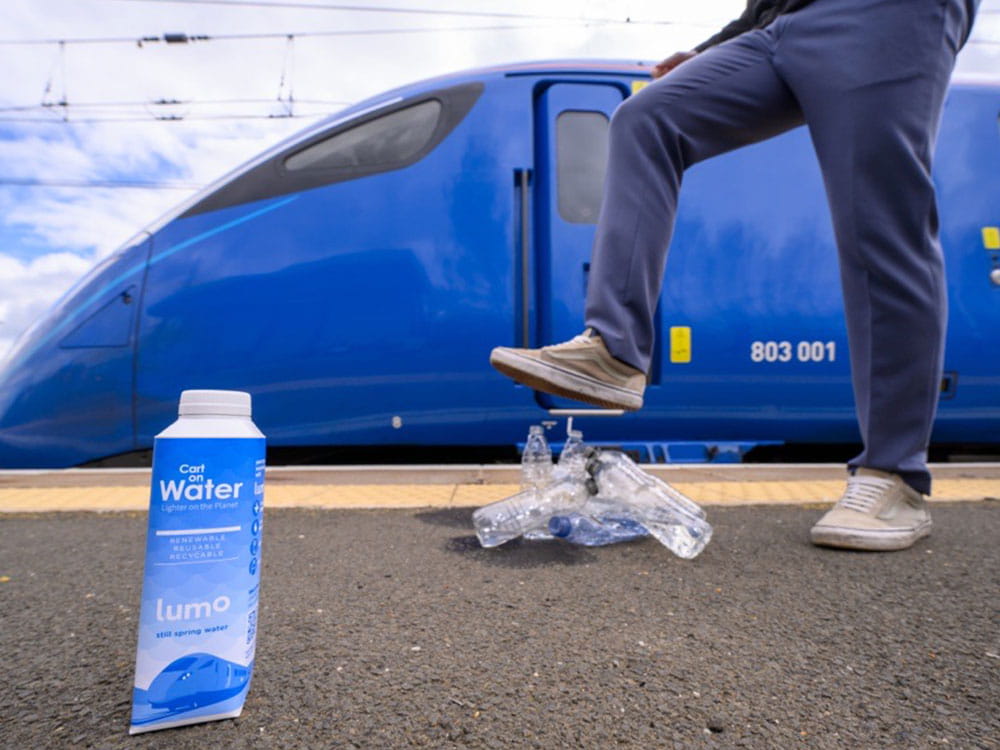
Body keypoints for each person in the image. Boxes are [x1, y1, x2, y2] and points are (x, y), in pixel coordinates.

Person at [490, 0, 981, 551]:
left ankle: (893, 476)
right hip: (782, 24)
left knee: (879, 223)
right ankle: (614, 352)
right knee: (648, 117)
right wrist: (715, 48)